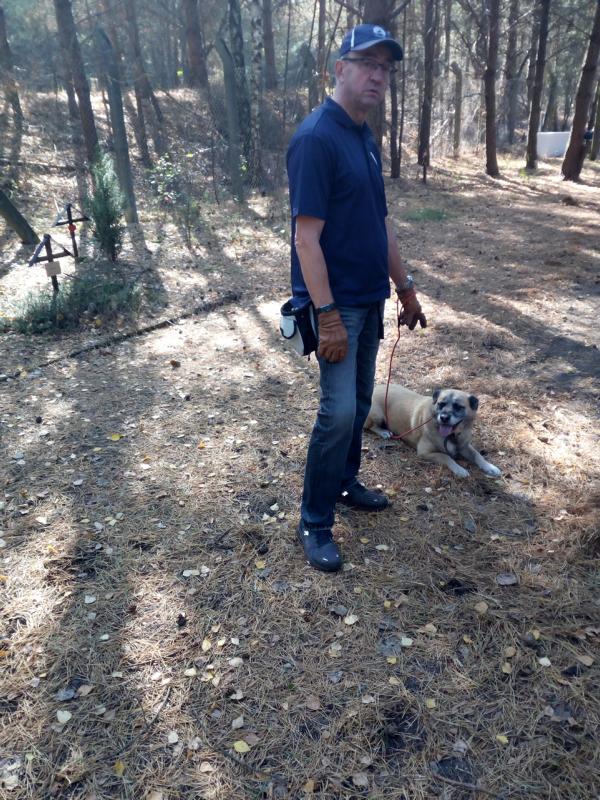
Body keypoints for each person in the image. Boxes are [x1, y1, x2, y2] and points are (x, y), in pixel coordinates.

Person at [287, 24, 427, 572]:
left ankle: (345, 484)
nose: (378, 75)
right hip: (336, 306)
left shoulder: (364, 137)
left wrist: (405, 287)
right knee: (339, 411)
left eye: (385, 67)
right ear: (339, 68)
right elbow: (306, 239)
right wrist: (327, 317)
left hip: (370, 300)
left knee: (360, 402)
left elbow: (380, 222)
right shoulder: (316, 138)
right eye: (367, 63)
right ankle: (314, 520)